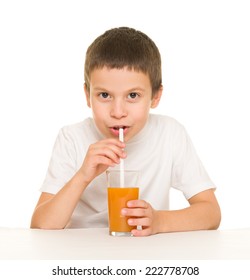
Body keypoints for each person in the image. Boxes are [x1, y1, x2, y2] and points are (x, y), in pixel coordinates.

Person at [30, 27, 221, 236]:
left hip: (145, 254)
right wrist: (83, 176)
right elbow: (41, 226)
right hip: (85, 256)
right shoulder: (72, 138)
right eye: (104, 95)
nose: (118, 112)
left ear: (155, 97)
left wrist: (159, 221)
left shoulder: (169, 134)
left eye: (132, 95)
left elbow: (211, 213)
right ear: (87, 95)